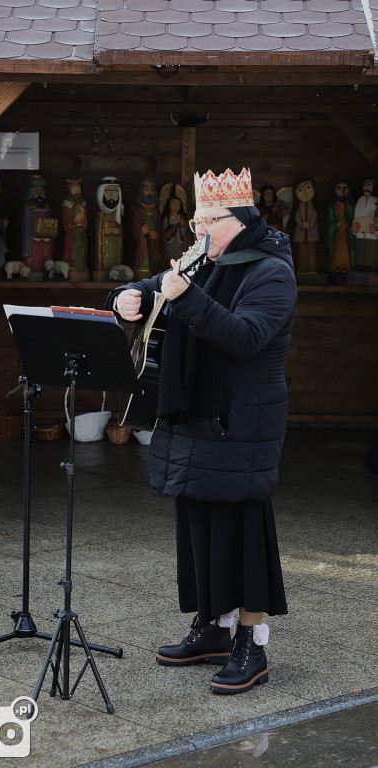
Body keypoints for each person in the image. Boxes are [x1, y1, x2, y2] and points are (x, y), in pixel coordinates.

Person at [106, 167, 297, 695]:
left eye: (205, 220)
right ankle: (214, 628)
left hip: (241, 420)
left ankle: (252, 644)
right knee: (198, 525)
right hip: (195, 414)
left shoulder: (271, 270)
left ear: (236, 220)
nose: (196, 230)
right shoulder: (205, 256)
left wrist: (182, 297)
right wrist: (127, 298)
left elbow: (244, 336)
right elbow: (156, 288)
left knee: (241, 531)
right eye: (194, 220)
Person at [21, 173, 57, 274]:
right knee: (33, 257)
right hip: (32, 240)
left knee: (46, 256)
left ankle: (46, 271)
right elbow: (26, 226)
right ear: (31, 192)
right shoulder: (27, 206)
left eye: (42, 191)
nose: (40, 195)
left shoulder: (47, 207)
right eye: (36, 191)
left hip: (45, 240)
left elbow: (50, 223)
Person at [131, 176, 163, 279]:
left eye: (151, 189)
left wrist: (157, 234)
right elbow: (134, 228)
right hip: (143, 244)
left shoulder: (156, 211)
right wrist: (141, 231)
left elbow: (160, 226)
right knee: (144, 259)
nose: (149, 192)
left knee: (155, 258)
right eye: (146, 189)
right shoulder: (138, 210)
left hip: (154, 244)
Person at [94, 176, 124, 281]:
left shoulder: (118, 214)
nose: (112, 197)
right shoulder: (101, 213)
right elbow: (100, 230)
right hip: (104, 246)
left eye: (115, 193)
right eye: (108, 193)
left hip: (115, 244)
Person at [326, 180, 355, 274]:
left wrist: (349, 224)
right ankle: (335, 268)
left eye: (345, 188)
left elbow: (355, 219)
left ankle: (347, 267)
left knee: (347, 251)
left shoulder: (351, 205)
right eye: (339, 188)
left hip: (347, 233)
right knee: (336, 252)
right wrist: (334, 225)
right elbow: (329, 221)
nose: (342, 191)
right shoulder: (331, 206)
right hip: (336, 234)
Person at [352, 178, 378, 271]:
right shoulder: (360, 200)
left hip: (372, 235)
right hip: (360, 233)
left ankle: (371, 270)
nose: (366, 187)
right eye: (365, 185)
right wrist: (355, 226)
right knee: (360, 253)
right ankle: (360, 269)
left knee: (370, 253)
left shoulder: (376, 200)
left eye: (369, 185)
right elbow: (356, 215)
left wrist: (376, 228)